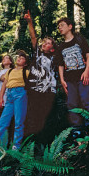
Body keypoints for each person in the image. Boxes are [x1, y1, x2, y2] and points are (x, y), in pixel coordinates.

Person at [56, 17, 89, 131]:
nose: (60, 28)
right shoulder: (60, 47)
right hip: (69, 79)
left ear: (70, 26)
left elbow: (88, 55)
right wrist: (62, 80)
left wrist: (87, 71)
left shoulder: (79, 40)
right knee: (72, 103)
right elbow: (60, 64)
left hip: (82, 76)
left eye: (62, 25)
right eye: (59, 26)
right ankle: (76, 128)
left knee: (86, 100)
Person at [23, 10, 57, 138]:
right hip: (33, 90)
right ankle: (29, 146)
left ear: (52, 48)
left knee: (44, 118)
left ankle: (42, 146)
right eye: (45, 42)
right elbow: (33, 37)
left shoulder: (55, 58)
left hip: (48, 92)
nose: (45, 44)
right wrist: (30, 22)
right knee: (31, 116)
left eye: (49, 43)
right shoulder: (37, 53)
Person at [0, 51, 30, 150]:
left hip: (20, 94)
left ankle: (16, 147)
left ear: (25, 63)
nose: (19, 58)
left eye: (22, 58)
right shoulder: (10, 71)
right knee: (2, 122)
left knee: (18, 121)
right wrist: (0, 98)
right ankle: (1, 148)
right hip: (9, 95)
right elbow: (4, 84)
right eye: (18, 57)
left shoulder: (26, 72)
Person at [0, 55, 15, 136]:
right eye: (3, 58)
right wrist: (11, 71)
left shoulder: (15, 71)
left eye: (6, 58)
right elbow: (3, 78)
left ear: (10, 61)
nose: (3, 59)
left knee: (10, 123)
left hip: (10, 100)